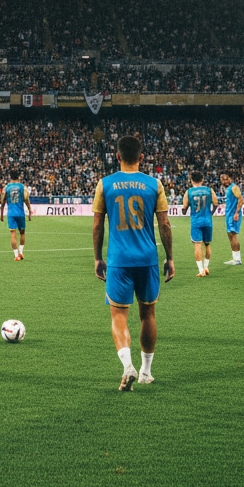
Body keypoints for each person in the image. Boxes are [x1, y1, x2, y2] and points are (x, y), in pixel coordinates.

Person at [92, 135, 174, 391]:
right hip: (147, 259)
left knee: (118, 315)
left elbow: (97, 225)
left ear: (117, 156)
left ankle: (127, 365)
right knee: (148, 314)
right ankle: (145, 372)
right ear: (141, 157)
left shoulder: (105, 184)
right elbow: (164, 224)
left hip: (119, 260)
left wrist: (97, 258)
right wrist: (169, 258)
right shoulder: (154, 184)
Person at [182, 171, 218, 277]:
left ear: (191, 180)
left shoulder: (188, 192)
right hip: (207, 220)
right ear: (202, 179)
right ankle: (206, 267)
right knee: (207, 244)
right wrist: (210, 213)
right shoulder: (209, 190)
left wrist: (185, 209)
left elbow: (184, 209)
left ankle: (201, 270)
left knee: (197, 244)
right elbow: (216, 203)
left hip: (196, 221)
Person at [0, 169, 31, 261]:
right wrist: (29, 211)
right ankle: (21, 253)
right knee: (22, 233)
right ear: (19, 176)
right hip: (21, 213)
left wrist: (1, 213)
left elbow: (3, 201)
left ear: (10, 176)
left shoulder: (6, 188)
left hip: (11, 214)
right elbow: (26, 200)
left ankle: (16, 255)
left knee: (13, 233)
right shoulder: (23, 187)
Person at [219, 172, 243, 265]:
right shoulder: (229, 189)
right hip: (229, 214)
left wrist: (236, 213)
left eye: (226, 179)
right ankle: (235, 258)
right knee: (230, 235)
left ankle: (237, 260)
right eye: (222, 180)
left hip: (233, 214)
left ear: (229, 178)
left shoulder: (234, 187)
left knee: (233, 235)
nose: (224, 182)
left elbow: (240, 199)